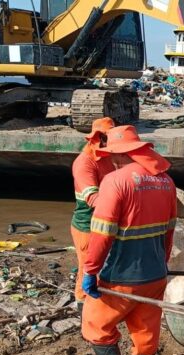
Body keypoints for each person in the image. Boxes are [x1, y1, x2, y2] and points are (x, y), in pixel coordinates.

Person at [81, 125, 177, 355]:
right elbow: (170, 230)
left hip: (121, 275)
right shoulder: (166, 181)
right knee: (146, 328)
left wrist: (90, 270)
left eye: (113, 154)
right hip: (155, 274)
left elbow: (102, 233)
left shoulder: (115, 181)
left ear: (123, 154)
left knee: (95, 324)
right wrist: (162, 263)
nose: (111, 159)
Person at [70, 117, 116, 313]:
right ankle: (82, 308)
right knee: (87, 268)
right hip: (87, 226)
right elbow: (93, 198)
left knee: (102, 266)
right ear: (98, 139)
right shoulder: (84, 163)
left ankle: (99, 305)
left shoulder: (107, 158)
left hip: (104, 223)